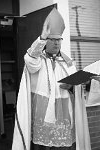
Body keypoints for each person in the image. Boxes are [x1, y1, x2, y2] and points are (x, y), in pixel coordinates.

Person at [12, 8, 91, 150]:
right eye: (52, 40)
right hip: (42, 115)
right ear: (45, 42)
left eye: (58, 40)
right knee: (42, 146)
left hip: (64, 114)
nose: (56, 43)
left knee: (64, 146)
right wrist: (42, 38)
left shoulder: (67, 62)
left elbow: (76, 86)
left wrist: (73, 86)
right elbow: (29, 60)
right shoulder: (37, 59)